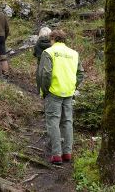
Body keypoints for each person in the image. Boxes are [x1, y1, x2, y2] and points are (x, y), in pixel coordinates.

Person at [36, 29, 84, 165]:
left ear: (52, 39)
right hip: (68, 92)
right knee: (67, 122)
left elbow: (45, 74)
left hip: (53, 92)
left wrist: (44, 91)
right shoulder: (74, 54)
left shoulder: (49, 52)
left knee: (53, 122)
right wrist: (73, 86)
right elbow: (81, 74)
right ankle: (67, 153)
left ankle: (56, 154)